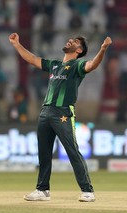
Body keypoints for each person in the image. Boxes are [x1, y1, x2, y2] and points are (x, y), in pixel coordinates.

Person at [9, 32, 112, 202]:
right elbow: (33, 59)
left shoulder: (77, 66)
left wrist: (102, 49)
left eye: (76, 42)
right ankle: (42, 190)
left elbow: (92, 65)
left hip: (63, 113)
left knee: (72, 151)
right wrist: (16, 45)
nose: (70, 40)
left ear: (79, 50)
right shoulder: (55, 65)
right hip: (45, 112)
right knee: (44, 152)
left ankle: (88, 191)